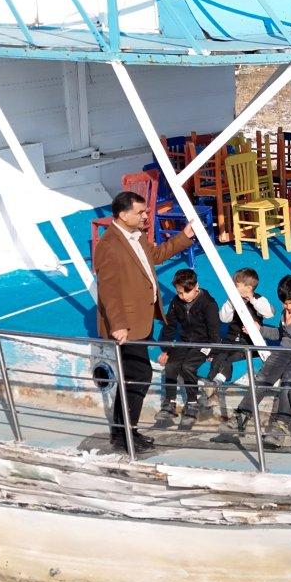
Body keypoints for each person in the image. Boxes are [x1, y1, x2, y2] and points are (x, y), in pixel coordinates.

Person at [93, 190, 194, 450]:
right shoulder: (109, 246)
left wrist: (184, 238)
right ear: (123, 215)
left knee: (133, 377)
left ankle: (125, 431)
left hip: (142, 320)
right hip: (127, 326)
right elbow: (108, 290)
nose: (146, 216)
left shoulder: (137, 237)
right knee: (138, 375)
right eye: (140, 212)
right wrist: (117, 326)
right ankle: (124, 434)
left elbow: (157, 256)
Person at [234, 276, 291, 448]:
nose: (288, 307)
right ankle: (243, 412)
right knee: (263, 377)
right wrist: (260, 330)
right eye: (285, 303)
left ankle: (280, 425)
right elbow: (280, 334)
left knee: (288, 383)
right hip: (283, 351)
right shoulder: (287, 311)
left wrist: (290, 326)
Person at [155, 268, 222, 429]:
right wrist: (166, 349)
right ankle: (169, 404)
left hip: (203, 344)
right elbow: (169, 325)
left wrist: (213, 352)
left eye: (186, 292)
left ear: (196, 286)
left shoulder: (208, 304)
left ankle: (192, 404)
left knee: (188, 367)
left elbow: (214, 330)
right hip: (185, 341)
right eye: (179, 292)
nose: (183, 296)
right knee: (171, 365)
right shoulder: (176, 302)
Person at [205, 268, 273, 420]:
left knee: (233, 358)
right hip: (231, 338)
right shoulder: (233, 300)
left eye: (236, 285)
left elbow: (269, 312)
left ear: (248, 288)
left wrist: (253, 300)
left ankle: (217, 382)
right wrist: (230, 302)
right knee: (220, 355)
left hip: (248, 342)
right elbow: (224, 318)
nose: (233, 288)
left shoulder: (259, 299)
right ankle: (213, 389)